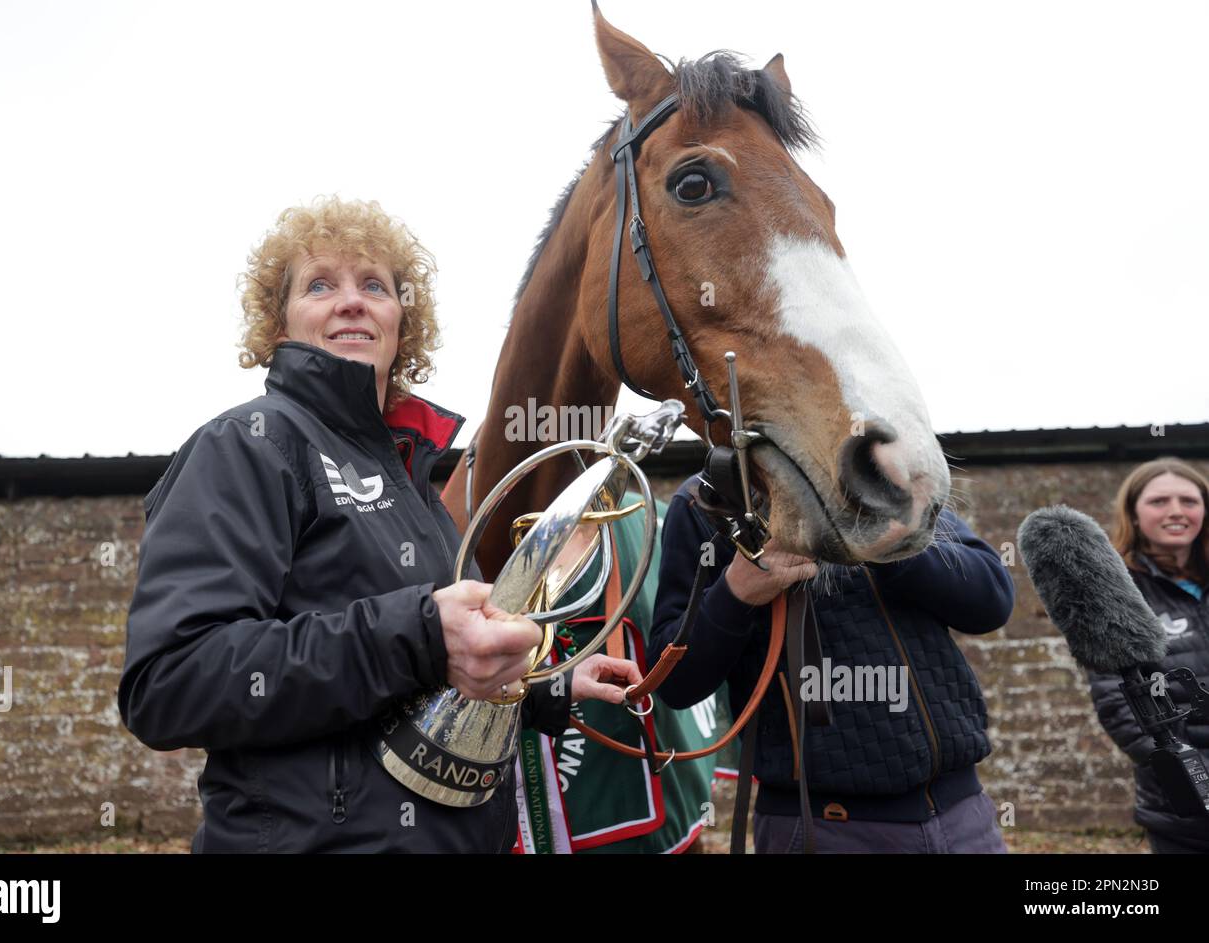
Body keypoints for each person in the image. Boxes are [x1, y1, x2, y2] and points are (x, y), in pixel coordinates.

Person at [118, 196, 640, 853]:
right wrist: (420, 632)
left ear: (401, 321)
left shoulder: (414, 479)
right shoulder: (246, 445)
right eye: (319, 285)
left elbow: (430, 678)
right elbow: (169, 682)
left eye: (374, 285)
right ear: (279, 328)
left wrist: (543, 688)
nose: (352, 301)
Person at [649, 478, 1015, 853]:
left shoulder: (885, 473)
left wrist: (885, 539)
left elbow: (992, 601)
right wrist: (735, 592)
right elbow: (675, 682)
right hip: (823, 828)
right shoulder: (709, 499)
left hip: (966, 816)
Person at [1088, 458, 1209, 854]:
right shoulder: (1118, 594)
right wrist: (1189, 776)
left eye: (1188, 501)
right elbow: (1117, 703)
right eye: (1159, 501)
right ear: (1135, 515)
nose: (1176, 511)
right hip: (1186, 813)